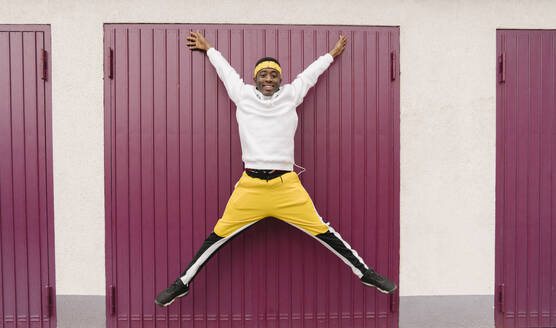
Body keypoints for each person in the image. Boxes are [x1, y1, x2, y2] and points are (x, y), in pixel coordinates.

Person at [154, 30, 397, 307]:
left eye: (273, 75)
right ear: (255, 77)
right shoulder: (242, 95)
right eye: (263, 74)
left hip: (286, 188)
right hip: (251, 187)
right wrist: (209, 49)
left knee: (325, 232)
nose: (268, 79)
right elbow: (226, 72)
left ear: (280, 79)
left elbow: (310, 75)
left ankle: (365, 273)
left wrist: (331, 55)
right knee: (216, 237)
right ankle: (182, 283)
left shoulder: (291, 95)